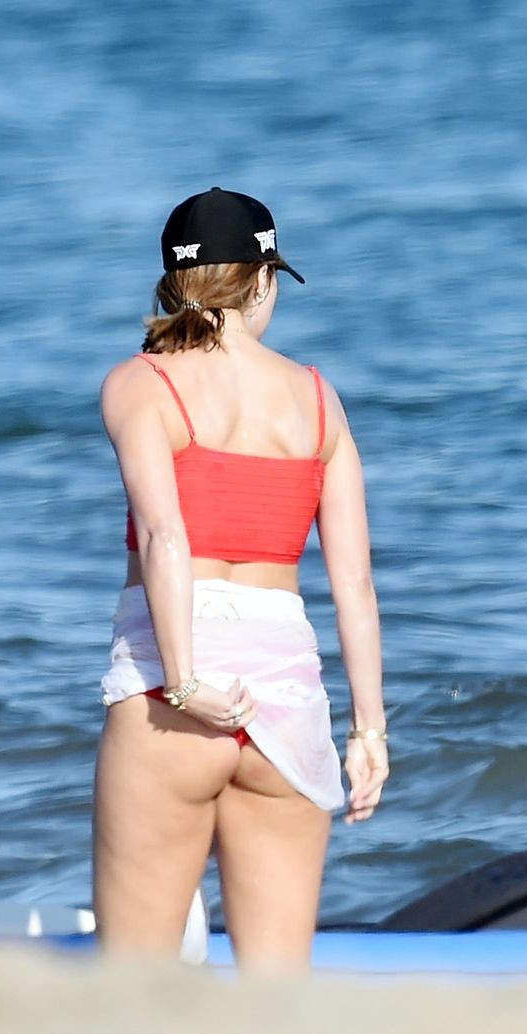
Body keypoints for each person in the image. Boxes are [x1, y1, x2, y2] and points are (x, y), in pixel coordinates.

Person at [94, 187, 388, 971]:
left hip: (171, 695)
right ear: (261, 282)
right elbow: (355, 587)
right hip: (286, 702)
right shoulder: (318, 400)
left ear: (173, 282)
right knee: (276, 996)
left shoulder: (141, 384)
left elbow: (165, 535)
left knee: (133, 984)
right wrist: (369, 733)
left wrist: (185, 683)